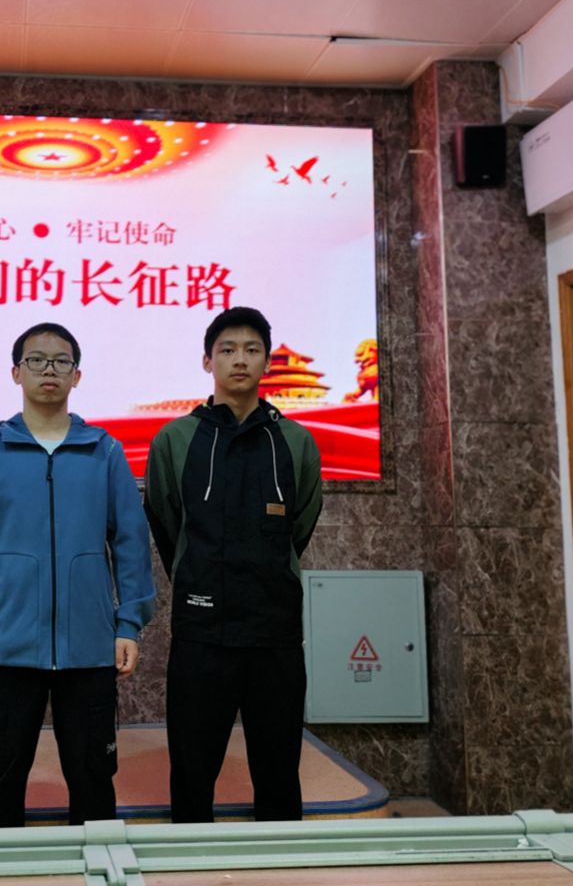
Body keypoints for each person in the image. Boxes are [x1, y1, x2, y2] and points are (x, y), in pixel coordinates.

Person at [0, 322, 156, 828]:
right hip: (7, 645)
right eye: (36, 360)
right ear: (16, 373)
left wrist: (128, 624)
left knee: (94, 777)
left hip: (90, 647)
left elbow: (131, 542)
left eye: (61, 361)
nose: (48, 370)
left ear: (77, 376)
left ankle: (99, 864)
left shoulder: (104, 451)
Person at [143, 307, 323, 824]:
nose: (239, 359)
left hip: (275, 634)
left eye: (251, 349)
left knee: (279, 772)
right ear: (208, 361)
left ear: (266, 361)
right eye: (227, 350)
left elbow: (300, 524)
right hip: (202, 634)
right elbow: (167, 523)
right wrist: (200, 572)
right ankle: (189, 862)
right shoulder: (175, 439)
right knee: (192, 772)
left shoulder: (295, 441)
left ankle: (279, 862)